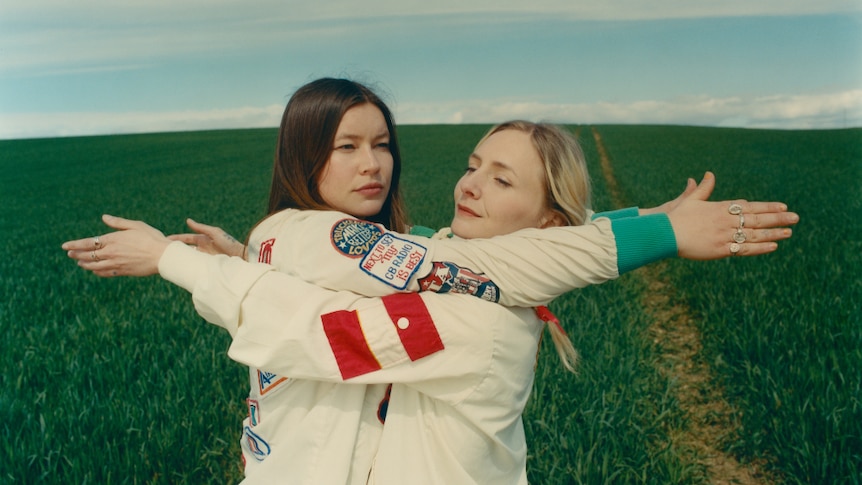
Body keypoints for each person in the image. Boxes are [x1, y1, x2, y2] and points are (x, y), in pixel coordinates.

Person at [63, 83, 799, 482]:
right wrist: (648, 223)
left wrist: (181, 260)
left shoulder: (474, 316)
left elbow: (323, 329)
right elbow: (449, 256)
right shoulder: (397, 252)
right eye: (473, 163)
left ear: (549, 223)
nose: (469, 183)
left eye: (382, 144)